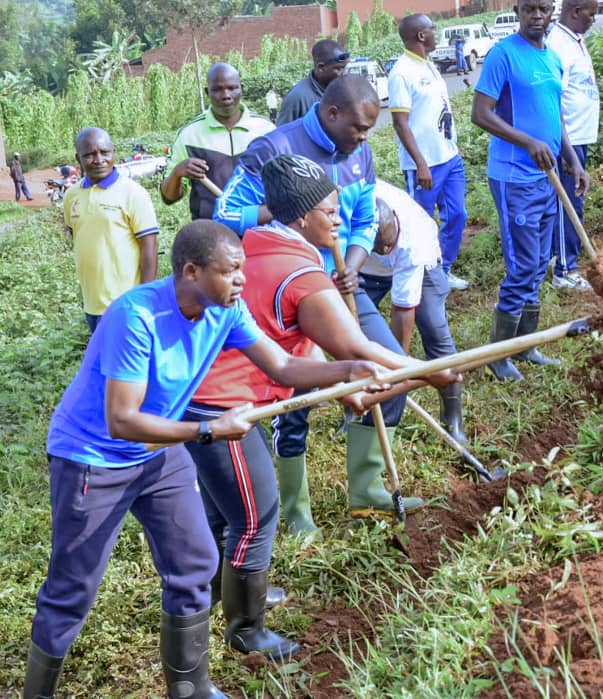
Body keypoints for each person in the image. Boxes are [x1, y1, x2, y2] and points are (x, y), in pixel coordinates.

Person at [22, 220, 384, 699]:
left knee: (195, 563)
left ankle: (190, 689)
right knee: (72, 589)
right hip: (94, 459)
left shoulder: (226, 312)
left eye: (243, 271)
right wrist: (209, 429)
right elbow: (122, 421)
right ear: (191, 271)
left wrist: (348, 370)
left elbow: (282, 366)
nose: (241, 281)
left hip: (159, 455)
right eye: (231, 271)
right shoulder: (136, 317)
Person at [185, 156, 452, 664]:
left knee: (222, 512)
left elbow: (289, 335)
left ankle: (230, 592)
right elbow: (360, 348)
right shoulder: (304, 270)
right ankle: (247, 630)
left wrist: (346, 385)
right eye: (329, 211)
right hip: (225, 406)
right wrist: (429, 371)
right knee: (256, 516)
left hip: (199, 399)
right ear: (304, 216)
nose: (337, 220)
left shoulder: (253, 247)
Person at [215, 75, 422, 533]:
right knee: (295, 397)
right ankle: (294, 512)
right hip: (283, 289)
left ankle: (367, 491)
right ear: (332, 115)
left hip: (339, 287)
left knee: (390, 374)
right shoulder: (273, 149)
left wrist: (354, 260)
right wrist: (290, 209)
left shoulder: (360, 153)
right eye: (360, 128)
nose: (365, 138)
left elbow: (365, 218)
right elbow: (225, 216)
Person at [471, 0, 589, 382]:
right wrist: (527, 142)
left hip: (548, 175)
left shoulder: (552, 57)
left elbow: (556, 116)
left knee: (541, 261)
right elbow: (481, 113)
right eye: (529, 9)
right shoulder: (503, 55)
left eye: (542, 9)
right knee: (522, 265)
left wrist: (572, 158)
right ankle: (499, 354)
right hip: (513, 177)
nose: (536, 16)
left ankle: (527, 345)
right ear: (518, 11)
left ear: (552, 12)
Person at [362, 179, 468, 443]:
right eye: (380, 248)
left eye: (389, 245)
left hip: (420, 262)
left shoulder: (413, 240)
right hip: (361, 267)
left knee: (434, 328)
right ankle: (358, 412)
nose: (386, 252)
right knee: (358, 337)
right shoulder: (346, 216)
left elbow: (403, 310)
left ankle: (453, 421)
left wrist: (400, 371)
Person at [389, 14, 471, 291]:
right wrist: (421, 164)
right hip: (424, 166)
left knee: (457, 215)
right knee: (420, 223)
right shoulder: (401, 71)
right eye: (433, 29)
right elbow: (400, 124)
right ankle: (420, 279)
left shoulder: (429, 66)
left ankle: (443, 270)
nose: (437, 33)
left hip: (449, 158)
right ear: (421, 36)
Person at [64, 127, 159, 331]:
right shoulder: (72, 195)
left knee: (127, 362)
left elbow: (149, 246)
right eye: (89, 155)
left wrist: (145, 298)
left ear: (113, 152)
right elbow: (78, 236)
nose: (99, 160)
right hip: (92, 304)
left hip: (127, 304)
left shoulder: (133, 193)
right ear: (78, 158)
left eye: (104, 152)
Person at [161, 63, 275, 221]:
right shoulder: (189, 135)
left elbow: (284, 184)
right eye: (217, 89)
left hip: (260, 227)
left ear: (242, 89)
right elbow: (168, 198)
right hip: (211, 234)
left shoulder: (266, 130)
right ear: (208, 92)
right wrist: (177, 173)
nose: (226, 95)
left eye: (232, 88)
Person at [547, 0, 599, 290]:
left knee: (571, 200)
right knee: (569, 204)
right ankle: (565, 270)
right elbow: (554, 102)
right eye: (591, 13)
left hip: (580, 136)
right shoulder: (558, 44)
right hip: (569, 141)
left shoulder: (575, 39)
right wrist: (567, 152)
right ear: (576, 11)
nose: (594, 19)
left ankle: (559, 256)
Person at [277, 39, 350, 125]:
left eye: (345, 68)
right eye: (338, 69)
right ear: (321, 68)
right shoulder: (297, 98)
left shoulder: (342, 91)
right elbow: (282, 135)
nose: (344, 74)